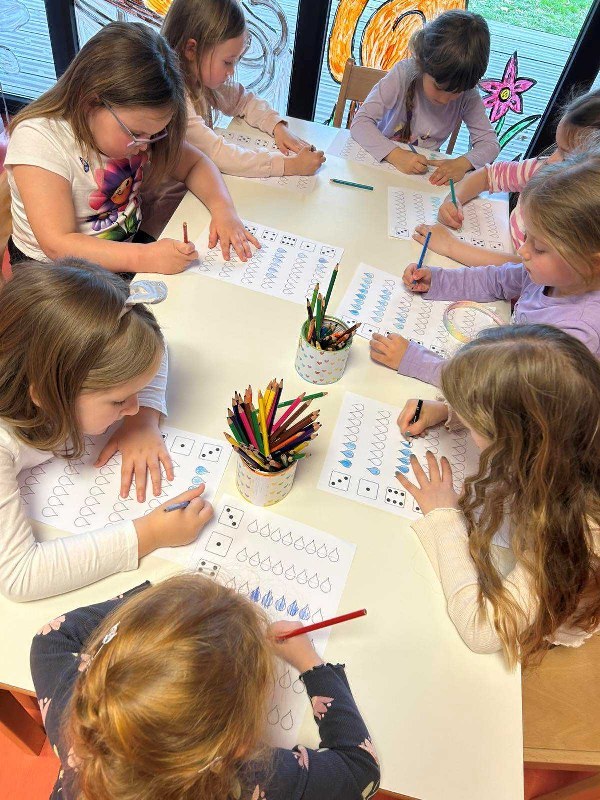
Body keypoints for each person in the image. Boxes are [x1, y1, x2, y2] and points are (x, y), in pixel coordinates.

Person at [30, 574, 381, 799]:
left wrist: (155, 610)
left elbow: (51, 637)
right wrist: (311, 664)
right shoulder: (251, 779)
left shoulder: (78, 710)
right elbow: (360, 770)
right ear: (240, 744)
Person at [0, 260, 212, 601]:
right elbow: (19, 576)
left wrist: (142, 420)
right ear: (47, 396)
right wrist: (149, 534)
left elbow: (156, 350)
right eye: (119, 401)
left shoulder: (51, 375)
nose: (132, 406)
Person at [394, 325, 600, 666]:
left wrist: (444, 517)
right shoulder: (571, 434)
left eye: (476, 424)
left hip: (549, 607)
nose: (469, 428)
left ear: (513, 439)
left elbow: (482, 631)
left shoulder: (577, 534)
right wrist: (451, 412)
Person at [4, 22, 258, 275]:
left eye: (154, 134)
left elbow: (196, 164)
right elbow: (58, 245)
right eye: (136, 134)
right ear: (90, 100)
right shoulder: (39, 139)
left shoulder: (135, 128)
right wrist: (146, 257)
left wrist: (224, 212)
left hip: (123, 253)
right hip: (53, 274)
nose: (145, 145)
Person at [369, 147, 600, 386]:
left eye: (540, 247)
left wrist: (417, 362)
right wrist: (437, 281)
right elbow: (496, 281)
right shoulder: (555, 276)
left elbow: (501, 389)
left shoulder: (576, 336)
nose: (522, 251)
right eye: (527, 236)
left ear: (593, 262)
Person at [414, 89, 600, 267]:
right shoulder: (542, 169)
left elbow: (524, 270)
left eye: (566, 155)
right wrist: (453, 200)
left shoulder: (579, 216)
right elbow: (488, 175)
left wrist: (451, 246)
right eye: (556, 147)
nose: (551, 159)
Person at [162, 0, 325, 180]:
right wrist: (290, 165)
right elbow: (218, 154)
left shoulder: (198, 77)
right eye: (227, 62)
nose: (232, 71)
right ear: (191, 49)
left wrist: (277, 127)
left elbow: (244, 101)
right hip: (176, 194)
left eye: (235, 61)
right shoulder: (176, 100)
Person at [350, 10, 499, 185]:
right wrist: (395, 155)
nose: (445, 99)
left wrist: (462, 163)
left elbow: (490, 144)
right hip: (379, 164)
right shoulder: (403, 74)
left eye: (456, 92)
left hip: (420, 178)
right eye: (438, 88)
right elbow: (360, 123)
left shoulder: (468, 94)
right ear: (422, 63)